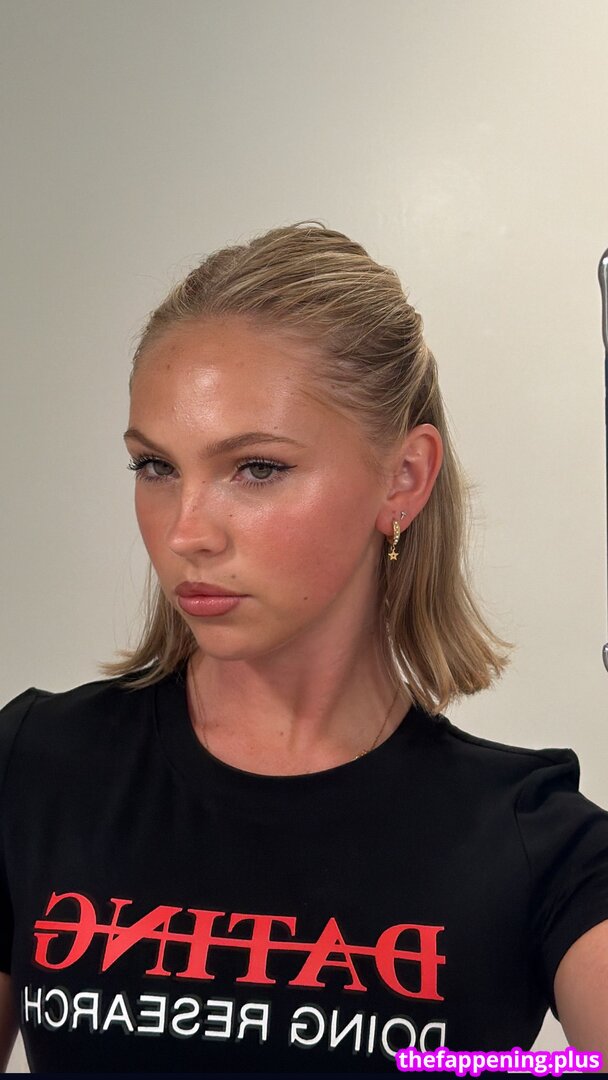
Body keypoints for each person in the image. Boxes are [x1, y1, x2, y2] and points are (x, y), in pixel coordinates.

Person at [1, 222, 607, 1074]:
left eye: (256, 467)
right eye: (156, 467)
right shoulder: (35, 769)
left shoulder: (532, 842)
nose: (186, 532)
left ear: (404, 478)